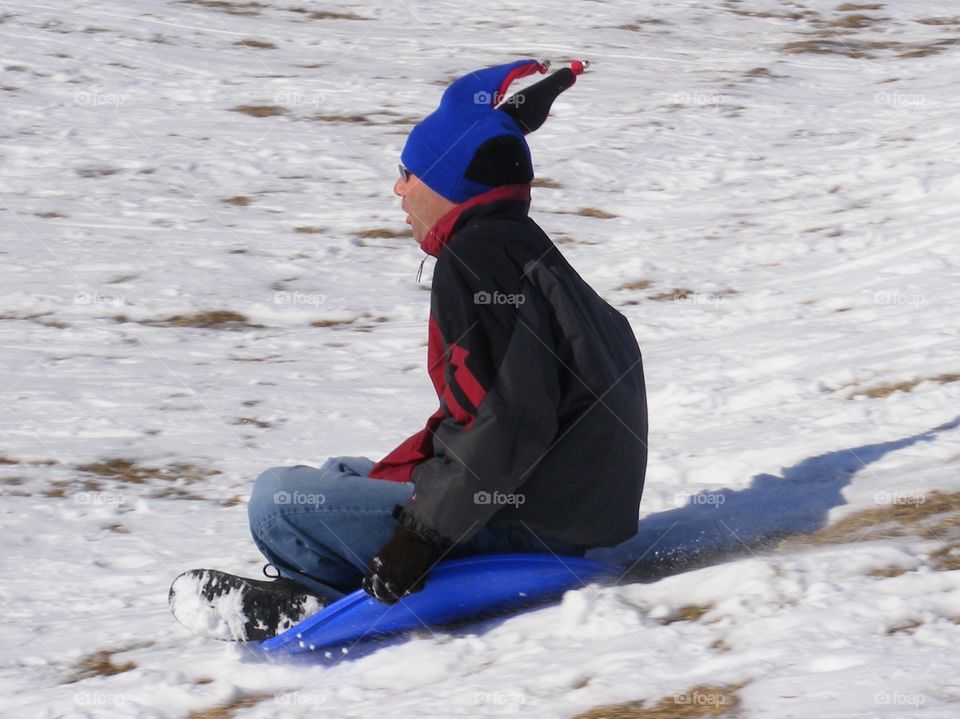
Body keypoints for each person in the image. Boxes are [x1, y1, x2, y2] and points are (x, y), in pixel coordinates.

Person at [169, 58, 648, 642]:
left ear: (448, 181)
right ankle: (313, 582)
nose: (399, 189)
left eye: (408, 173)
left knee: (277, 501)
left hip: (532, 519)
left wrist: (419, 540)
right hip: (572, 506)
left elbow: (512, 421)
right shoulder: (520, 248)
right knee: (339, 473)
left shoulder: (476, 261)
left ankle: (312, 602)